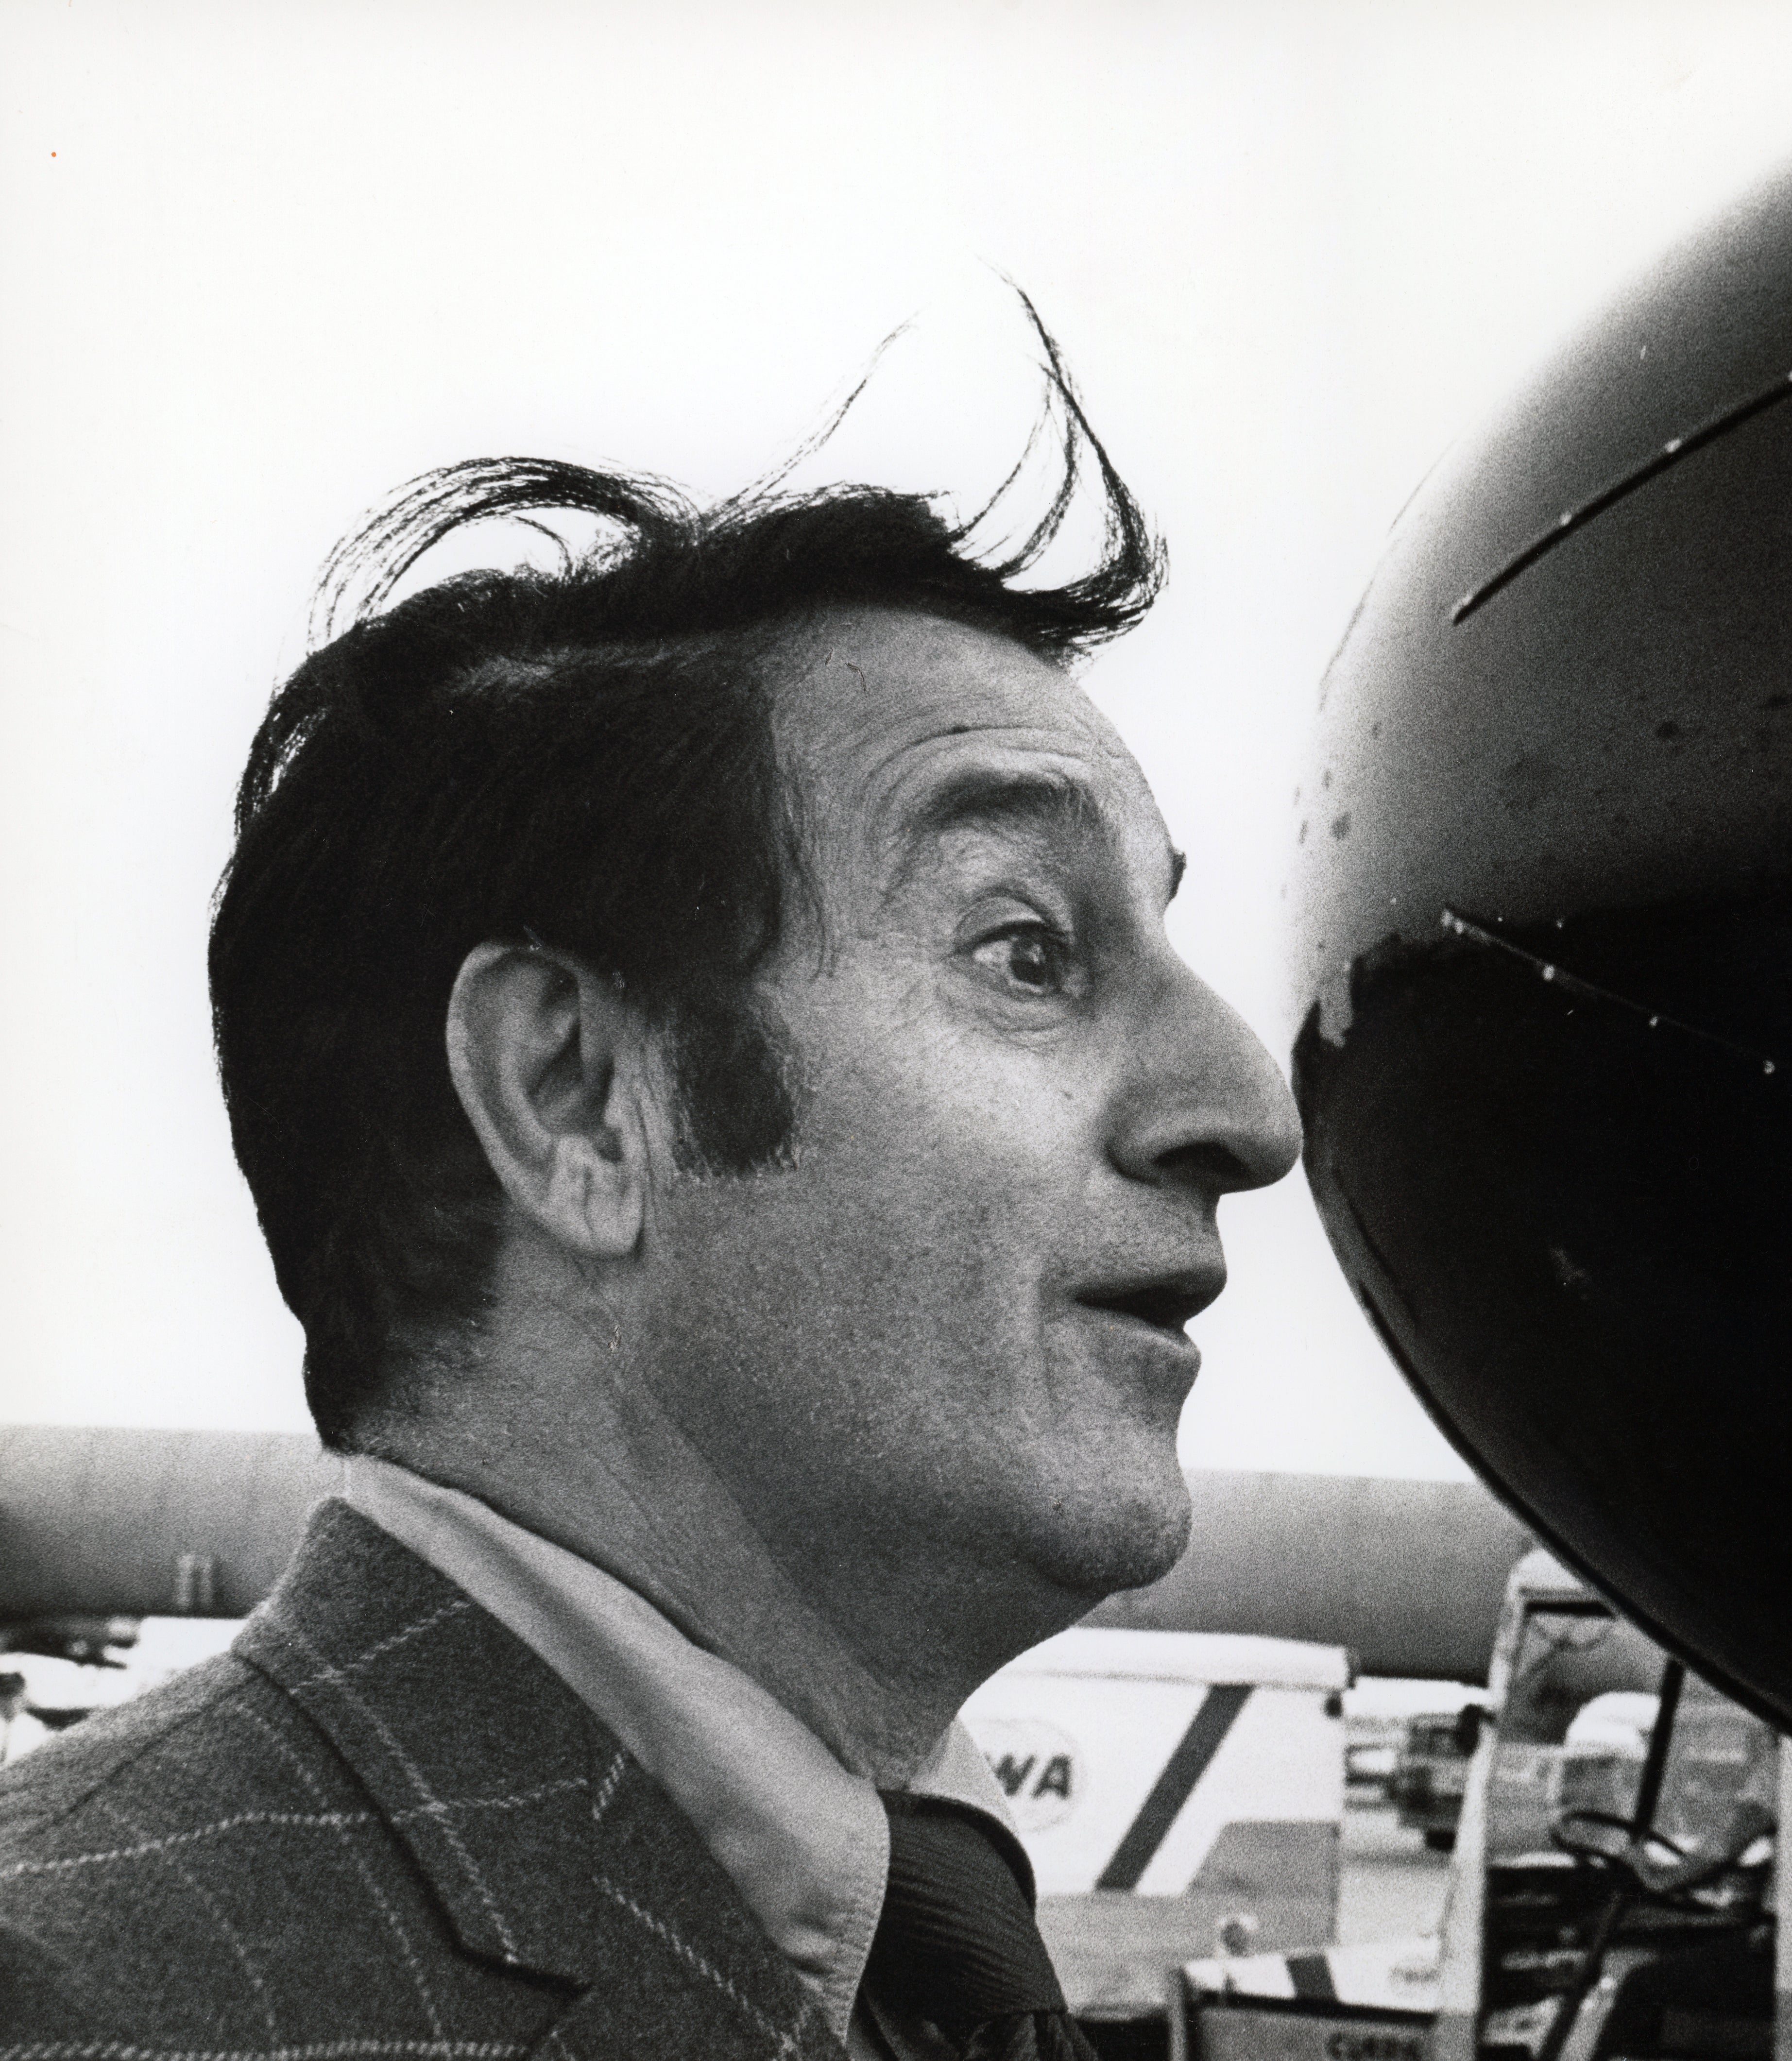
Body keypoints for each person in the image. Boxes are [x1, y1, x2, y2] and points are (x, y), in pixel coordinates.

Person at [0, 343, 1303, 2057]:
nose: (1252, 1113)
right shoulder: (78, 2000)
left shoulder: (928, 1968)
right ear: (576, 1100)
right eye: (1026, 947)